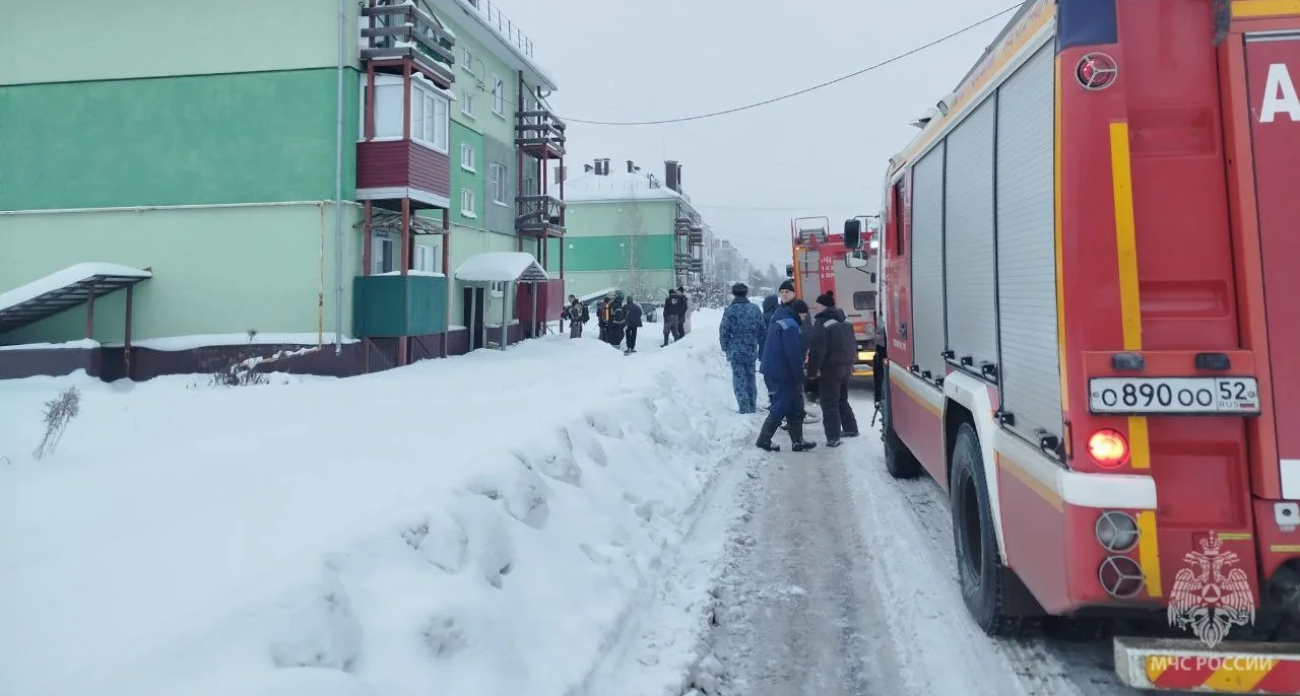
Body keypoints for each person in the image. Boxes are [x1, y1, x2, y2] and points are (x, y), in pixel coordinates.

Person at [757, 296, 816, 452]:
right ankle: (763, 439)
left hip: (778, 370)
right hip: (782, 373)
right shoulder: (790, 325)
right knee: (781, 406)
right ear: (799, 312)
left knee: (796, 405)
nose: (804, 319)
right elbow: (792, 354)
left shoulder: (780, 319)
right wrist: (799, 376)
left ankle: (798, 441)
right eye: (804, 315)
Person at [806, 291, 860, 446]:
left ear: (824, 305)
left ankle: (833, 437)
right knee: (842, 399)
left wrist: (811, 371)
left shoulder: (822, 322)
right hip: (846, 365)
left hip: (830, 368)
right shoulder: (846, 320)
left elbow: (818, 349)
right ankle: (851, 428)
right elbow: (853, 342)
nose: (815, 307)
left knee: (829, 402)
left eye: (817, 304)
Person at [718, 282, 765, 414]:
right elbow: (762, 329)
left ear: (733, 294)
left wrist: (724, 346)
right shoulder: (755, 309)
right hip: (751, 349)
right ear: (746, 293)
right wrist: (758, 341)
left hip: (735, 350)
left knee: (739, 378)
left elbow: (724, 330)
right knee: (751, 377)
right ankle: (752, 405)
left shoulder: (730, 310)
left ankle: (744, 408)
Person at [759, 280, 794, 411]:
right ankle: (778, 404)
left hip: (768, 353)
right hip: (776, 354)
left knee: (771, 380)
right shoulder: (779, 314)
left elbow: (761, 335)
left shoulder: (767, 316)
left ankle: (776, 404)